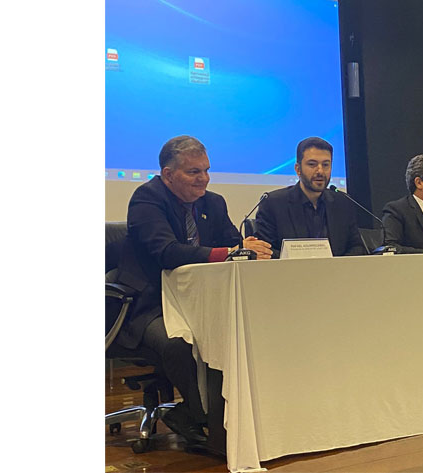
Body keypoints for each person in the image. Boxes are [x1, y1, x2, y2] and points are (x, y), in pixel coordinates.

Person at [112, 135, 272, 448]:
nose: (204, 179)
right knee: (180, 344)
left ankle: (235, 414)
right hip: (149, 304)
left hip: (201, 302)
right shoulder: (146, 199)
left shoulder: (213, 202)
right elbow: (167, 252)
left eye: (206, 170)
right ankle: (196, 416)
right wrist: (228, 251)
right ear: (168, 174)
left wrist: (248, 249)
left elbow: (233, 245)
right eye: (194, 172)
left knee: (241, 330)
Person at [254, 137, 367, 257]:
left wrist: (336, 265)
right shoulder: (273, 204)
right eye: (312, 164)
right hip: (289, 269)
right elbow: (265, 251)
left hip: (336, 269)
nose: (320, 171)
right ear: (298, 169)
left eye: (326, 165)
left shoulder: (343, 203)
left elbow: (357, 247)